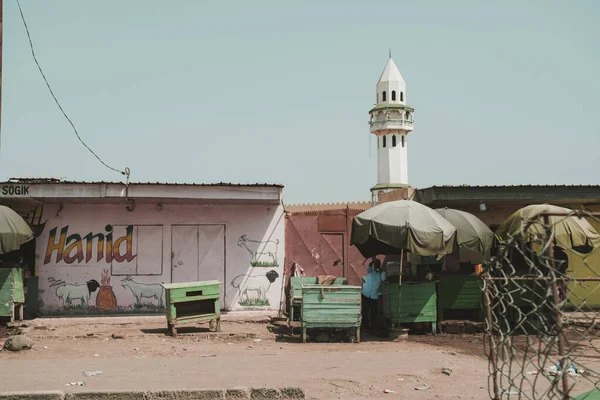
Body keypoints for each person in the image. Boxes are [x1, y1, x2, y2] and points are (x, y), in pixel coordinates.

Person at [362, 258, 386, 332]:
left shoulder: (381, 274)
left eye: (378, 265)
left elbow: (383, 278)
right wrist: (372, 262)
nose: (376, 266)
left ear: (379, 265)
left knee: (373, 313)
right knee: (365, 311)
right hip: (366, 294)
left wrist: (380, 269)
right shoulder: (370, 271)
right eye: (375, 265)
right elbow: (368, 267)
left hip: (374, 296)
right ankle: (365, 327)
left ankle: (373, 327)